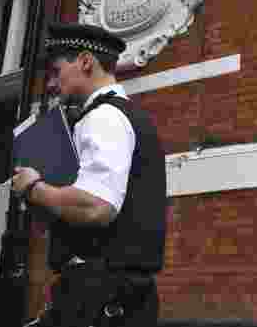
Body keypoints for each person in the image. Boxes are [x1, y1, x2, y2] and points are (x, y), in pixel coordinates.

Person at [11, 23, 167, 327]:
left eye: (56, 71)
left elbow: (96, 206)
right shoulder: (117, 115)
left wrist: (34, 187)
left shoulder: (104, 117)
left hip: (100, 294)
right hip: (110, 293)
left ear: (85, 62)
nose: (52, 84)